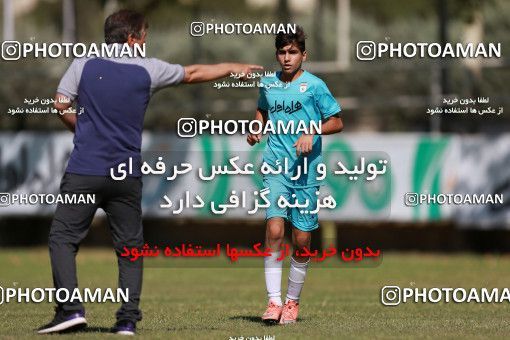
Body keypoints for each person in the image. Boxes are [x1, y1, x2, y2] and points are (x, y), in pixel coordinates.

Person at [37, 9, 262, 335]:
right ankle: (127, 320)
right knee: (129, 247)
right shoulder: (149, 69)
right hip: (125, 176)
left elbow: (60, 104)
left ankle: (69, 310)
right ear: (131, 39)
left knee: (63, 238)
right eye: (144, 37)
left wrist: (82, 129)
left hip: (85, 169)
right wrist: (233, 67)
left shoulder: (82, 64)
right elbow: (194, 72)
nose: (145, 42)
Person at [246, 26, 343, 325]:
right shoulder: (268, 83)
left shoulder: (315, 86)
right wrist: (256, 127)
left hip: (305, 171)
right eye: (282, 52)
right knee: (274, 231)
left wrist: (312, 130)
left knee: (302, 240)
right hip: (275, 166)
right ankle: (273, 302)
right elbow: (262, 110)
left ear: (304, 55)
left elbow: (337, 122)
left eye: (293, 52)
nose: (287, 58)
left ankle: (292, 302)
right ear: (276, 55)